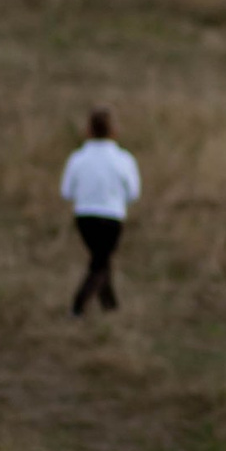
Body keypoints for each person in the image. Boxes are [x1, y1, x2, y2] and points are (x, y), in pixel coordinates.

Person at [60, 107, 141, 315]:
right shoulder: (124, 159)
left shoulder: (77, 158)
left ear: (88, 131)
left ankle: (110, 306)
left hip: (84, 217)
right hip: (112, 217)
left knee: (101, 259)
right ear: (114, 131)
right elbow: (133, 193)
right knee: (100, 262)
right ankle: (78, 306)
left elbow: (66, 191)